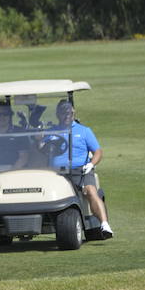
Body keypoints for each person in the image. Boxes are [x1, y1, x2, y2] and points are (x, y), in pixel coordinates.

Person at [46, 99, 113, 238]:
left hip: (80, 170)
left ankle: (104, 224)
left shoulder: (84, 131)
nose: (67, 116)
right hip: (57, 173)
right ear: (58, 114)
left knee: (91, 191)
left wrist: (91, 164)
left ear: (73, 113)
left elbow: (98, 152)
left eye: (69, 113)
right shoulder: (52, 131)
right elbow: (40, 147)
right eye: (64, 113)